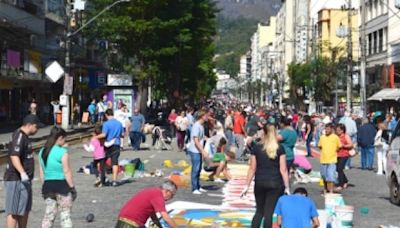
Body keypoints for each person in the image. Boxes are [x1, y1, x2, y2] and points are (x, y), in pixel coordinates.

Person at [241, 124, 290, 228]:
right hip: (275, 182)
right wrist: (287, 187)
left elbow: (252, 168)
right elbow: (283, 169)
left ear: (264, 132)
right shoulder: (280, 148)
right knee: (269, 213)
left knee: (259, 211)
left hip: (260, 181)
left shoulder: (257, 147)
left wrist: (246, 186)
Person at [3, 114, 39, 228]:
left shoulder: (24, 137)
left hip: (25, 180)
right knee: (14, 211)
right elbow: (14, 156)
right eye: (36, 127)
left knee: (24, 209)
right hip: (15, 179)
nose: (37, 129)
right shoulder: (19, 136)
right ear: (29, 125)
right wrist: (22, 173)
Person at [39, 127, 77, 228]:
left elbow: (42, 173)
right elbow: (66, 171)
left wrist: (44, 187)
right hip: (61, 186)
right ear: (60, 137)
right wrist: (72, 188)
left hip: (47, 187)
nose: (65, 141)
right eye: (64, 139)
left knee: (49, 215)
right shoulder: (62, 152)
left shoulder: (42, 151)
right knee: (65, 215)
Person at [97, 109, 124, 186]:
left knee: (102, 161)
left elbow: (104, 135)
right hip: (116, 144)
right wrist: (121, 145)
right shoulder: (119, 124)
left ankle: (102, 178)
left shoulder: (106, 124)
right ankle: (114, 180)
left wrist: (96, 137)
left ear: (106, 115)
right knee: (115, 162)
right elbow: (122, 134)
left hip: (107, 145)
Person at [187, 110, 210, 194]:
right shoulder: (196, 126)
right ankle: (194, 188)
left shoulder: (201, 126)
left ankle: (198, 186)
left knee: (199, 168)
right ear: (202, 116)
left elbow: (201, 137)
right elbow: (196, 140)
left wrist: (207, 139)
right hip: (195, 150)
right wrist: (203, 151)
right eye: (206, 116)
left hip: (198, 150)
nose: (207, 117)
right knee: (195, 169)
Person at [318, 123, 341, 194]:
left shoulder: (335, 137)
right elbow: (319, 146)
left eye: (328, 129)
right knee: (324, 176)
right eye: (325, 129)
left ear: (331, 129)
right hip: (323, 159)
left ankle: (331, 191)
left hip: (332, 160)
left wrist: (333, 151)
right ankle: (325, 189)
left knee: (331, 176)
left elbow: (339, 147)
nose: (326, 130)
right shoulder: (322, 137)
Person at [335, 123, 353, 191]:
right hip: (337, 154)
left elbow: (350, 144)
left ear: (342, 130)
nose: (337, 131)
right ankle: (345, 181)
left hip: (344, 154)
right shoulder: (336, 136)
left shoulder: (346, 136)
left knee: (340, 168)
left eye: (339, 130)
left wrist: (343, 145)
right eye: (336, 130)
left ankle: (340, 184)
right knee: (337, 169)